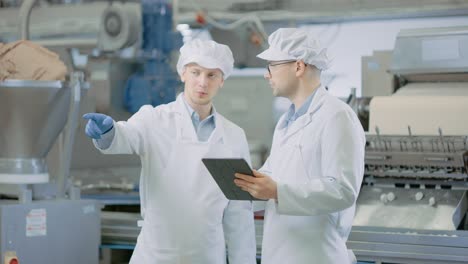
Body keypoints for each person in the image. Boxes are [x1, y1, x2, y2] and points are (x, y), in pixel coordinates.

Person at [83, 39, 256, 264]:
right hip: (156, 255)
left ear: (222, 80)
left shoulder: (233, 137)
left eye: (212, 75)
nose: (202, 82)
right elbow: (126, 136)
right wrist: (107, 132)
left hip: (207, 256)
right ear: (183, 73)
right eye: (196, 72)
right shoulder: (155, 120)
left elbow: (239, 214)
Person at [234, 28, 365, 264]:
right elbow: (273, 175)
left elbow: (343, 190)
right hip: (281, 253)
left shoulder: (337, 116)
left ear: (298, 67)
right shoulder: (286, 121)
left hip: (317, 255)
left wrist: (277, 191)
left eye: (271, 66)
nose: (267, 75)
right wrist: (242, 186)